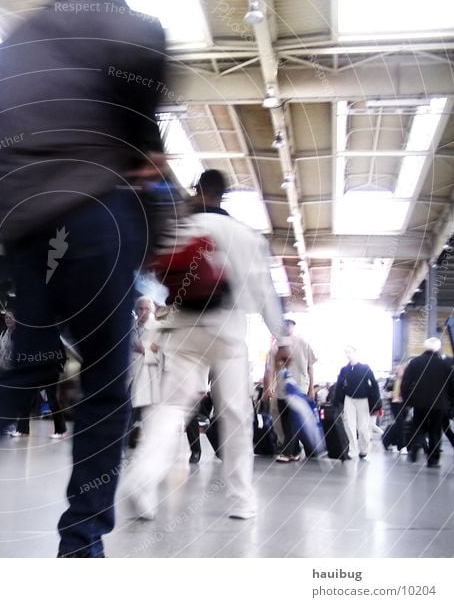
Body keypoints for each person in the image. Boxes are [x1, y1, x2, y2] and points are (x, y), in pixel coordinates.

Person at [0, 0, 169, 557]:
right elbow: (142, 123)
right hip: (101, 216)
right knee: (106, 387)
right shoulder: (136, 27)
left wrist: (22, 174)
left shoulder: (21, 34)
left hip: (29, 222)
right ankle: (81, 544)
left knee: (27, 363)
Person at [119, 169, 289, 521]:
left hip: (183, 330)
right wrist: (282, 338)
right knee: (235, 414)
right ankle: (243, 500)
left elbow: (156, 275)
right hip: (226, 333)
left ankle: (143, 480)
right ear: (224, 194)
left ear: (200, 190)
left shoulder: (182, 230)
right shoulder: (244, 236)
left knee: (170, 408)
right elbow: (265, 295)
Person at [264, 318, 318, 463]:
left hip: (299, 385)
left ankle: (287, 452)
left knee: (294, 418)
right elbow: (271, 369)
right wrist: (269, 387)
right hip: (282, 388)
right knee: (285, 419)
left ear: (294, 326)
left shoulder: (303, 343)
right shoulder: (276, 347)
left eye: (289, 324)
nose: (286, 327)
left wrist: (312, 388)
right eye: (284, 324)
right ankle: (294, 451)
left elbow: (310, 367)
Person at [401, 338, 454, 468]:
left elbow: (405, 384)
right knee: (435, 431)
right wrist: (449, 399)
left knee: (419, 426)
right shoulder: (445, 364)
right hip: (439, 404)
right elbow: (453, 386)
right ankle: (433, 460)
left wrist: (408, 400)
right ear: (438, 348)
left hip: (419, 402)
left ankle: (416, 443)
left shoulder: (414, 362)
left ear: (425, 348)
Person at [127, 296, 164, 448]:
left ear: (151, 311)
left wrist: (144, 349)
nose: (143, 312)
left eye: (146, 309)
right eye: (140, 308)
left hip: (147, 377)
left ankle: (153, 446)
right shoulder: (130, 327)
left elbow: (161, 354)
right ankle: (126, 443)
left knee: (148, 413)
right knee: (127, 410)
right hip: (130, 374)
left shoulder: (158, 328)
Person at [333, 345, 380, 460]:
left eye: (349, 352)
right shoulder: (344, 370)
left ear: (355, 352)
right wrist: (336, 400)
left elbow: (374, 384)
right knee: (349, 425)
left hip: (363, 400)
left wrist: (376, 402)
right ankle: (352, 450)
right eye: (346, 352)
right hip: (349, 399)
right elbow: (339, 385)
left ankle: (364, 449)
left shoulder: (365, 368)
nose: (347, 355)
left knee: (363, 428)